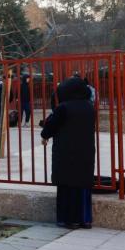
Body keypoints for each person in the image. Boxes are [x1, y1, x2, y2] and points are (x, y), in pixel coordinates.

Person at [42, 77, 96, 229]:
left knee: (67, 187)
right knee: (83, 186)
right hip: (85, 153)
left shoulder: (63, 108)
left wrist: (44, 136)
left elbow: (50, 126)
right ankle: (84, 219)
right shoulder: (89, 108)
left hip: (66, 153)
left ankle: (68, 219)